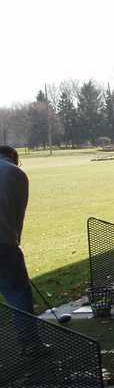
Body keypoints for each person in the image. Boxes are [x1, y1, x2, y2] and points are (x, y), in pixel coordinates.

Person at [0, 145, 39, 350]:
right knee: (17, 292)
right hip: (4, 244)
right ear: (13, 157)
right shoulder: (16, 173)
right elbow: (17, 216)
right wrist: (14, 241)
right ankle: (30, 344)